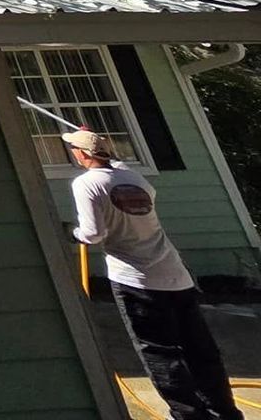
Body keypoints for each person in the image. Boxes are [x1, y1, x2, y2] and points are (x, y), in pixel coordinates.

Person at [63, 127, 242, 420]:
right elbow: (116, 165)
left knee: (160, 352)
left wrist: (73, 235)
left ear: (81, 154)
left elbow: (94, 234)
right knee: (201, 351)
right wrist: (91, 137)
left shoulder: (87, 184)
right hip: (175, 275)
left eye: (74, 148)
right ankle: (225, 413)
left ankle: (188, 415)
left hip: (136, 280)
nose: (73, 153)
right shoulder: (135, 179)